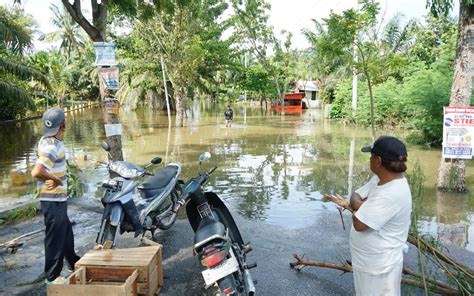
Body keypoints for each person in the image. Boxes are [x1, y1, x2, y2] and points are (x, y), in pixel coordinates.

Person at [349, 135, 412, 296]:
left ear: (377, 161)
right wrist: (364, 207)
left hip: (380, 269)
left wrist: (359, 209)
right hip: (368, 263)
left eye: (371, 156)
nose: (369, 160)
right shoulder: (379, 180)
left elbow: (359, 224)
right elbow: (354, 196)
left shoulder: (391, 193)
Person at [31, 108, 81, 284]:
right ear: (63, 125)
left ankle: (74, 262)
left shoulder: (44, 141)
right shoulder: (54, 145)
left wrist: (52, 178)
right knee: (55, 238)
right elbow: (37, 171)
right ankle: (52, 277)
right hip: (53, 201)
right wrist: (56, 180)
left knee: (65, 233)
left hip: (55, 199)